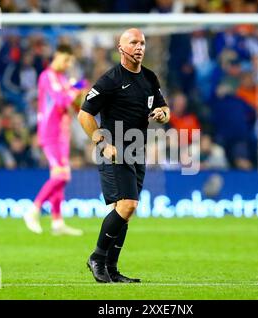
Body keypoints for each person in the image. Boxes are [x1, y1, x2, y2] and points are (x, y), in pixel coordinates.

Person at [78, 28, 170, 283]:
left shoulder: (150, 78)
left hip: (137, 149)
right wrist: (102, 143)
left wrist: (163, 114)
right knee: (127, 206)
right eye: (134, 42)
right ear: (121, 48)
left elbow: (163, 108)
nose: (139, 47)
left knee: (124, 212)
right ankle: (97, 257)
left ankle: (112, 269)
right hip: (115, 151)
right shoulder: (110, 80)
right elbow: (84, 114)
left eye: (142, 43)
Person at [23, 44, 84, 236]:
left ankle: (57, 222)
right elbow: (60, 100)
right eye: (66, 60)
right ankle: (33, 210)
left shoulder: (63, 79)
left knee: (59, 178)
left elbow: (73, 107)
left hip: (62, 134)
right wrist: (76, 91)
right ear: (57, 56)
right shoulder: (47, 76)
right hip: (50, 133)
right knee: (62, 175)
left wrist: (80, 92)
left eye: (70, 62)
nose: (67, 65)